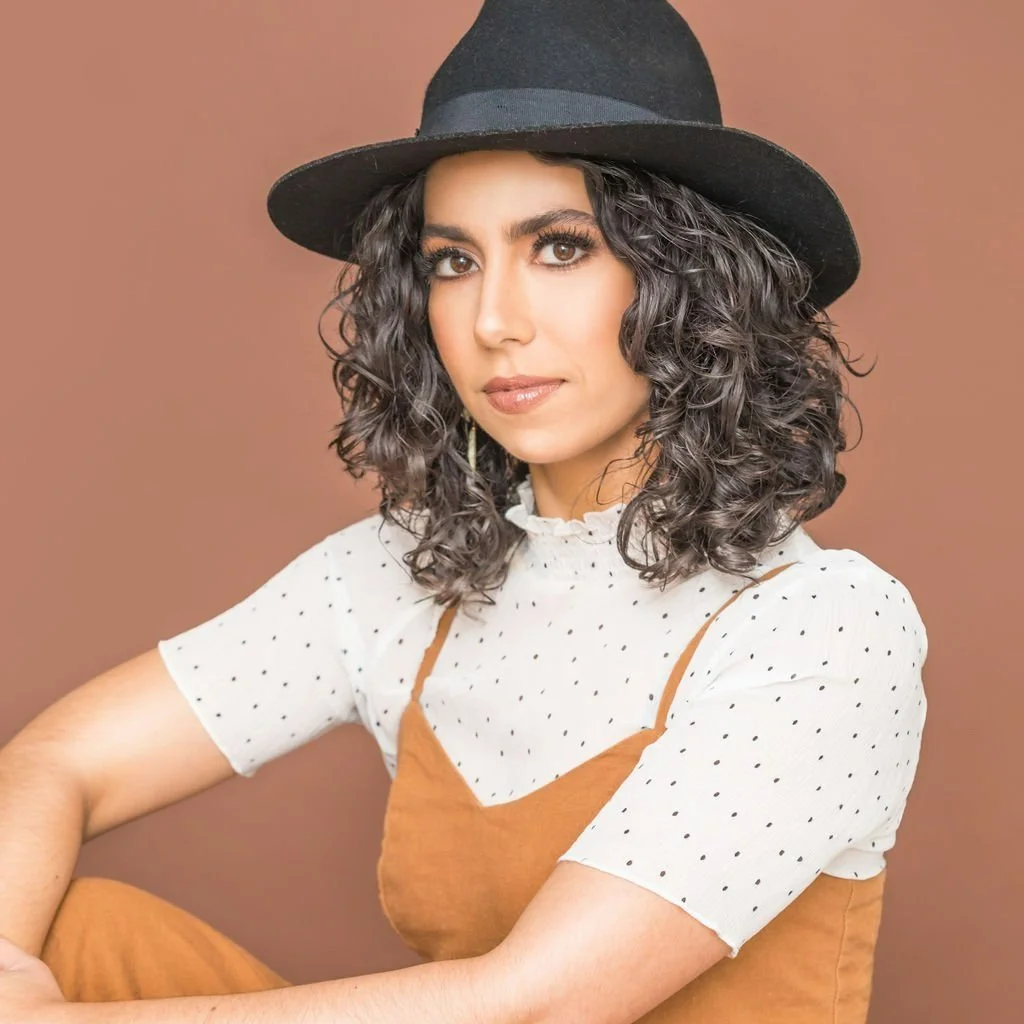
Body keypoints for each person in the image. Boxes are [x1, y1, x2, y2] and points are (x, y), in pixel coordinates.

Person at [0, 2, 928, 1022]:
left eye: (560, 248)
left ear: (691, 280)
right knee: (73, 928)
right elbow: (57, 761)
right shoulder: (405, 570)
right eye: (453, 261)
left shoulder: (826, 626)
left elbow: (531, 1005)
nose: (493, 320)